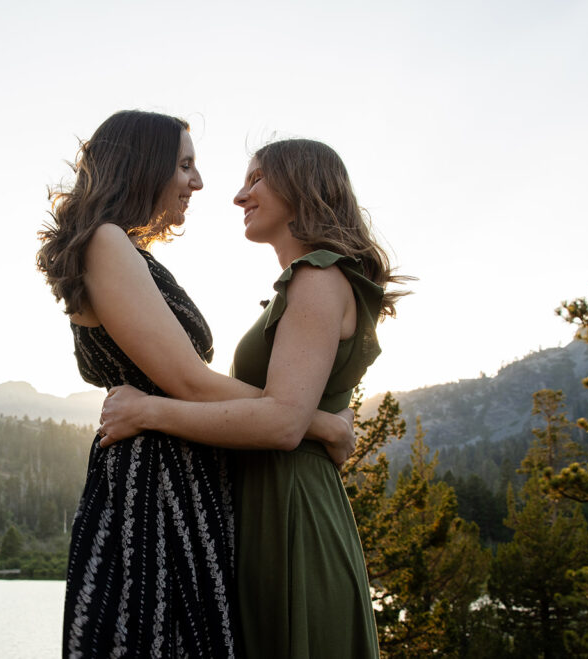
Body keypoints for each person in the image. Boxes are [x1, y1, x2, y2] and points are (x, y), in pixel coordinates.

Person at [36, 112, 355, 658]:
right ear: (144, 164)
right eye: (185, 165)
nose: (198, 182)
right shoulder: (107, 242)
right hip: (154, 485)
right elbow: (188, 379)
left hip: (175, 475)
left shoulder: (122, 248)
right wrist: (317, 421)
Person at [99, 138, 407, 658]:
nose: (240, 196)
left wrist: (148, 411)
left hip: (290, 509)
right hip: (275, 499)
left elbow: (281, 423)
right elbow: (288, 409)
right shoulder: (311, 282)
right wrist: (324, 424)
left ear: (302, 185)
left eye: (257, 178)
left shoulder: (317, 277)